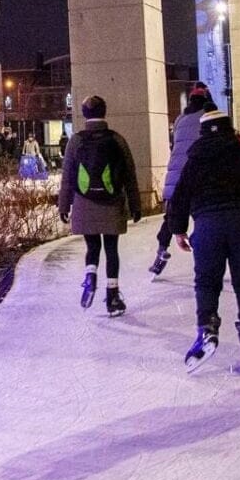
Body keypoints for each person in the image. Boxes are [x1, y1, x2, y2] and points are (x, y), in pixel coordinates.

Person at [167, 107, 240, 373]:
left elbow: (180, 197)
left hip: (208, 228)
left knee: (206, 282)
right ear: (229, 129)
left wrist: (178, 230)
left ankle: (207, 328)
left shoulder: (194, 160)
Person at [59, 96, 142, 316]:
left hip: (85, 203)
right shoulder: (117, 140)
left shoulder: (76, 141)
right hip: (112, 203)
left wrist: (64, 205)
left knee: (92, 247)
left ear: (85, 114)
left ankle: (90, 275)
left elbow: (67, 176)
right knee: (111, 249)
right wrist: (135, 205)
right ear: (104, 112)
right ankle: (113, 297)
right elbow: (129, 175)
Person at [151, 86, 211, 279]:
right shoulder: (207, 117)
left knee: (171, 217)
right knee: (204, 218)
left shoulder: (180, 119)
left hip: (175, 177)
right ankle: (207, 259)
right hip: (197, 176)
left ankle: (161, 251)